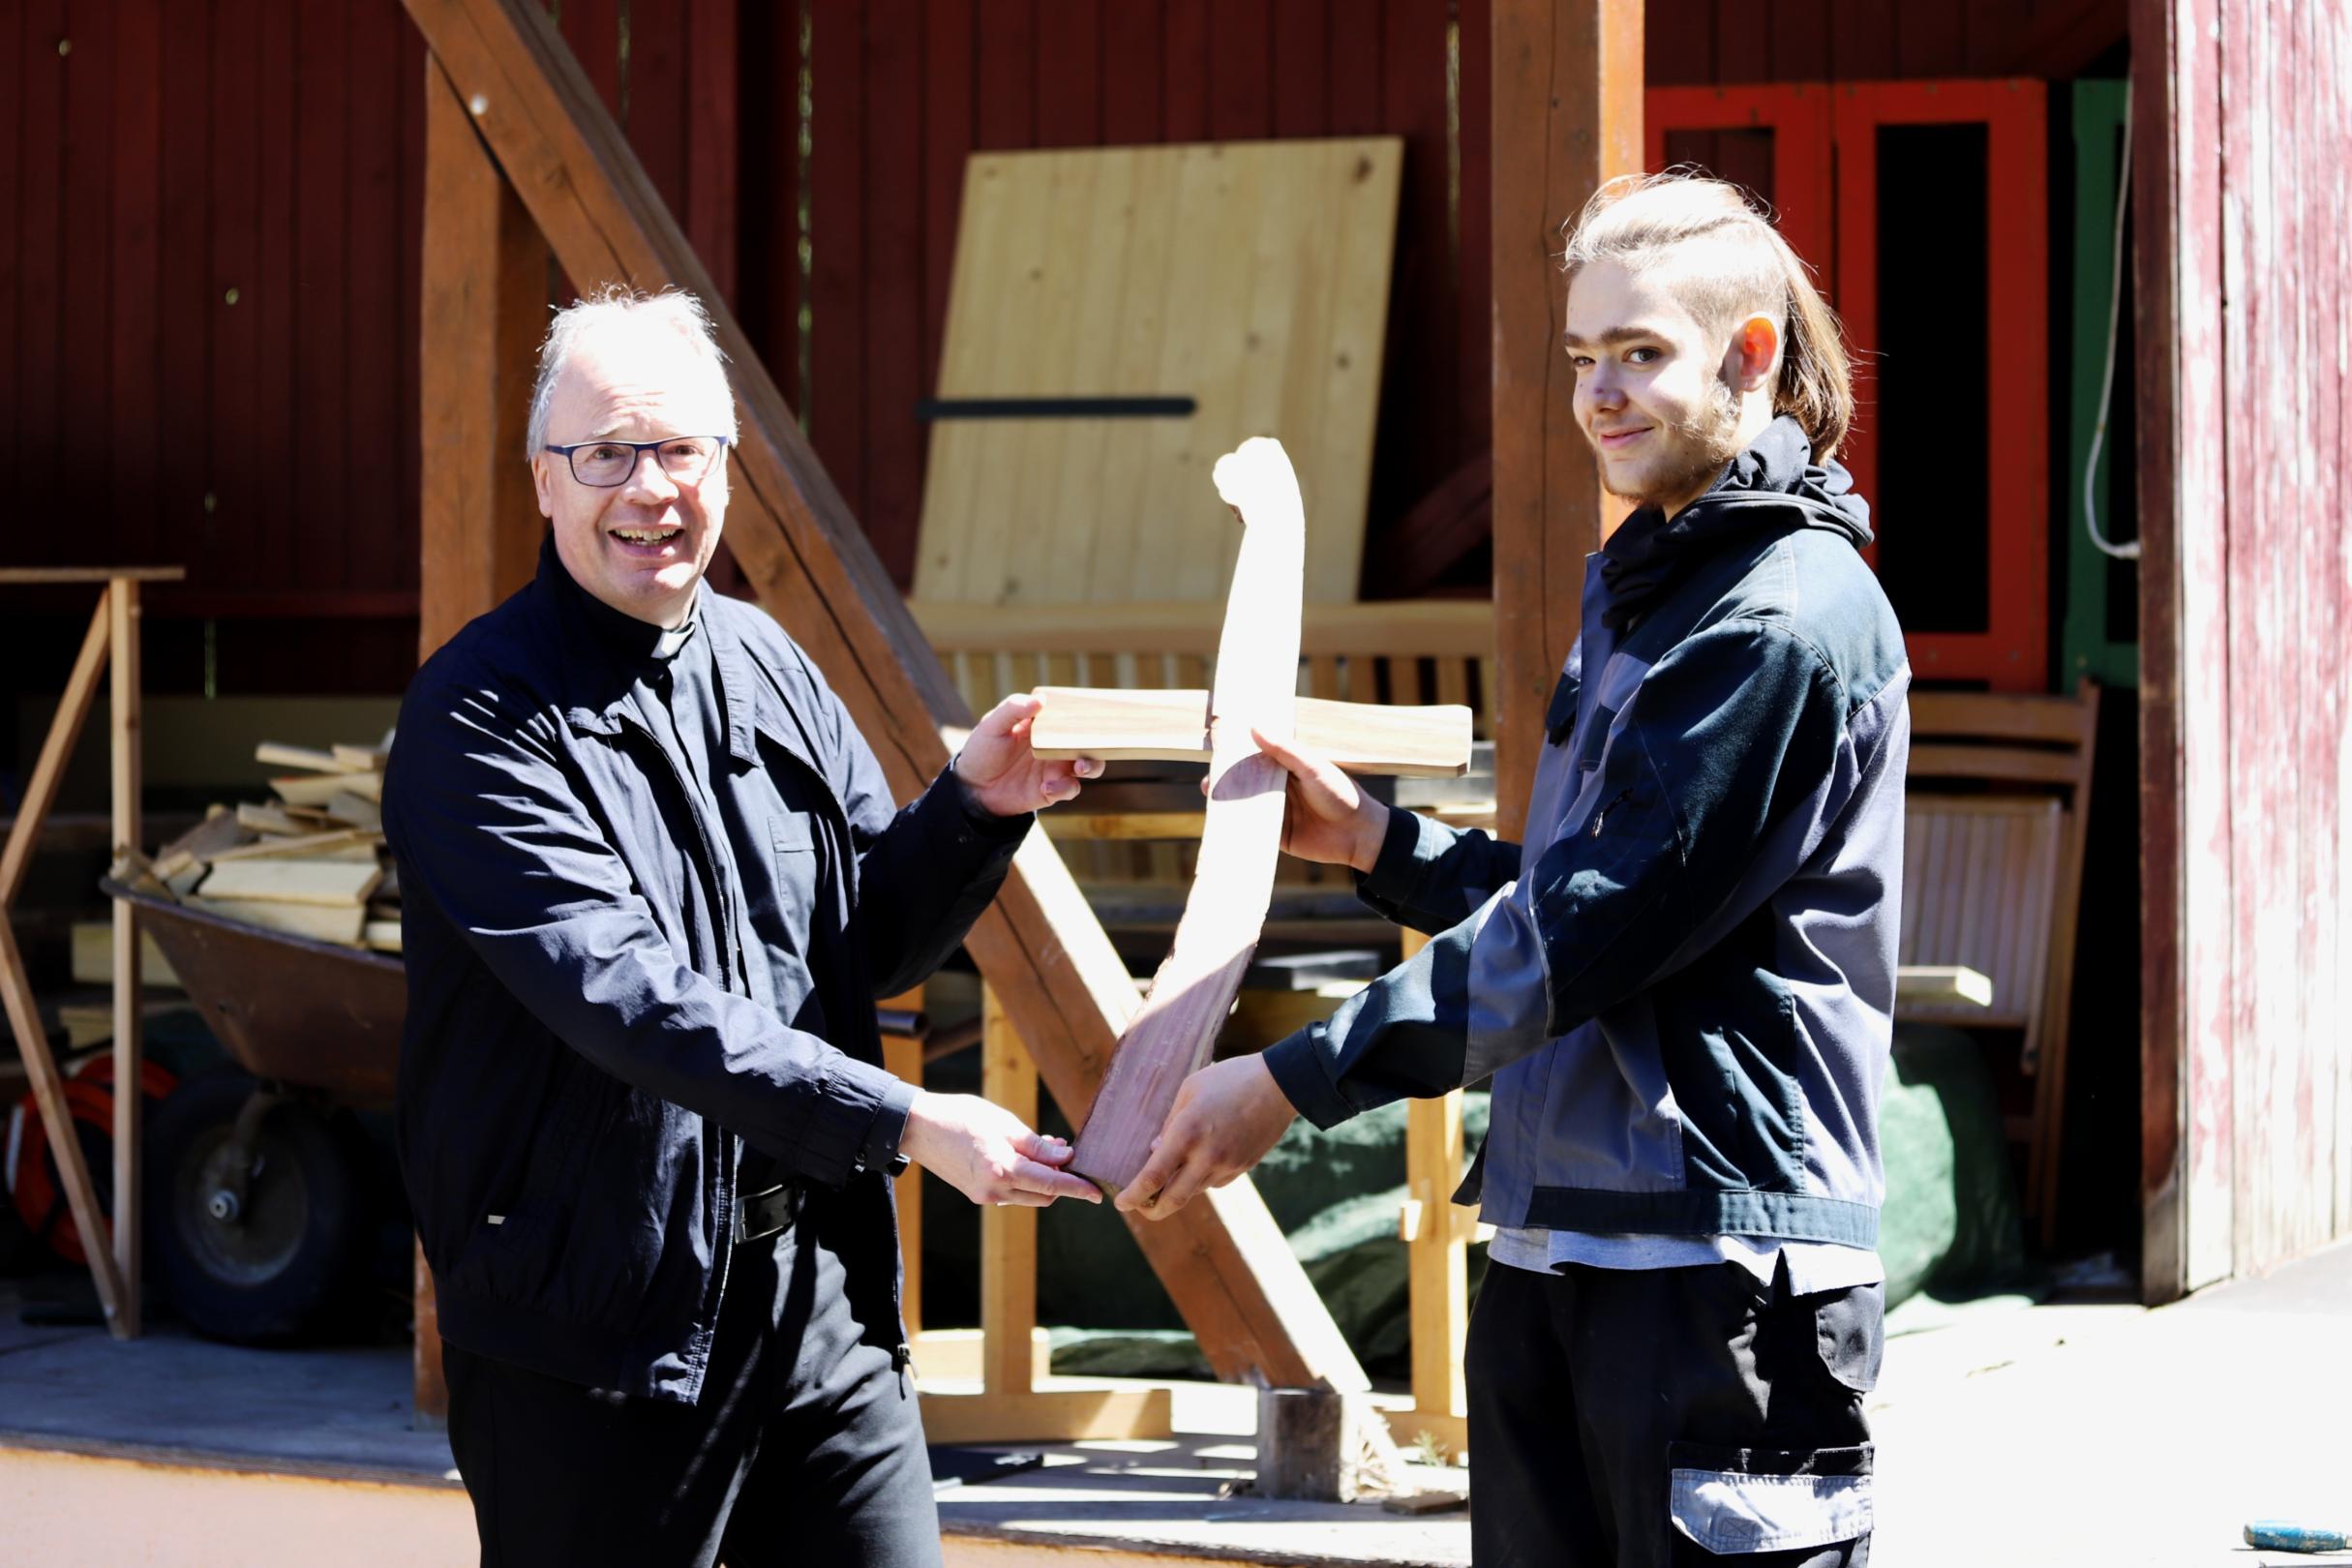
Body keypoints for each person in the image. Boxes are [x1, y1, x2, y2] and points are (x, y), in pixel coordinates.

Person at [1119, 172, 1906, 1567]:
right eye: (1582, 358)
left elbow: (1591, 932)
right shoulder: (1644, 582)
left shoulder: (1778, 623)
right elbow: (1577, 886)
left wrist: (1290, 1081)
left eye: (1641, 354)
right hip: (1559, 1246)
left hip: (1719, 1271)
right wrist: (1379, 845)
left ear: (1751, 352)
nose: (1599, 393)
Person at [384, 286, 1101, 1568]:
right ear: (544, 482)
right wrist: (906, 1120)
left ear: (725, 469)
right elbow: (628, 999)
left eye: (678, 450)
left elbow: (864, 947)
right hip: (599, 1335)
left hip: (817, 1301)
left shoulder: (768, 662)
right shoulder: (479, 719)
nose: (647, 490)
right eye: (604, 453)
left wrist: (974, 810)